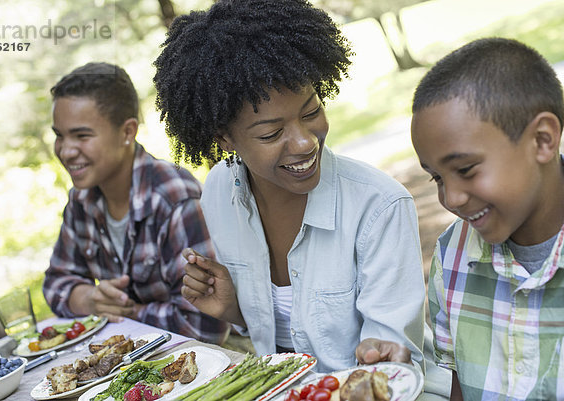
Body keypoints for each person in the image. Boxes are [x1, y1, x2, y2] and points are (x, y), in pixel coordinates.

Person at [153, 1, 450, 397]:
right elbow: (280, 334)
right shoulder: (220, 192)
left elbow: (388, 369)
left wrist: (378, 353)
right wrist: (233, 310)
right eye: (271, 134)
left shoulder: (379, 206)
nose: (304, 142)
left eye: (311, 112)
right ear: (225, 138)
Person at [410, 37, 564, 400]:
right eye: (437, 177)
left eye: (465, 169)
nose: (451, 198)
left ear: (543, 140)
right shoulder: (452, 255)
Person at [42, 62, 229, 345]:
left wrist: (126, 313)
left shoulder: (173, 199)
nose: (66, 151)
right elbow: (56, 281)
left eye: (82, 135)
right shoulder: (81, 199)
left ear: (128, 132)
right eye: (59, 135)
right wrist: (89, 299)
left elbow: (206, 325)